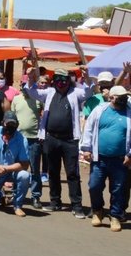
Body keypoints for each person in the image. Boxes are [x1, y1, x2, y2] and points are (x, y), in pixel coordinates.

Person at [26, 67, 93, 218]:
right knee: (53, 172)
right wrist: (30, 77)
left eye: (63, 80)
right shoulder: (49, 92)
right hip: (51, 138)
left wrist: (86, 76)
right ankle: (55, 202)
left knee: (72, 174)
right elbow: (32, 91)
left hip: (70, 140)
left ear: (69, 81)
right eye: (57, 80)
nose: (60, 83)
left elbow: (88, 92)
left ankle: (77, 206)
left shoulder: (75, 93)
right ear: (54, 81)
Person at [80, 85, 131, 232]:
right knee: (94, 185)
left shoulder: (129, 112)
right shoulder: (100, 110)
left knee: (118, 189)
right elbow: (88, 128)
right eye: (120, 97)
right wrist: (86, 149)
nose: (123, 99)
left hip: (120, 159)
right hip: (99, 158)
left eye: (124, 97)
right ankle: (98, 211)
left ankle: (115, 216)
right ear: (111, 97)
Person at [11, 79, 43, 209]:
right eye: (23, 85)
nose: (25, 88)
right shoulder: (16, 99)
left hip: (33, 138)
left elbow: (45, 116)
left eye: (28, 85)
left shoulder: (38, 99)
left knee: (35, 169)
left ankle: (35, 196)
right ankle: (16, 195)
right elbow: (12, 117)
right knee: (17, 168)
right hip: (18, 139)